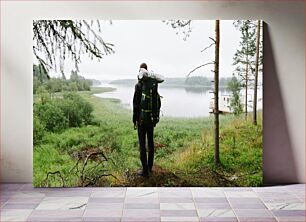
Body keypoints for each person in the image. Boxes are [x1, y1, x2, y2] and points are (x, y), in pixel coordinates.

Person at [133, 63, 155, 178]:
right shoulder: (151, 85)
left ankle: (145, 171)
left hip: (141, 120)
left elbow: (136, 105)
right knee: (150, 142)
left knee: (142, 144)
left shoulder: (138, 85)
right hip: (150, 119)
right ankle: (150, 167)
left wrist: (134, 119)